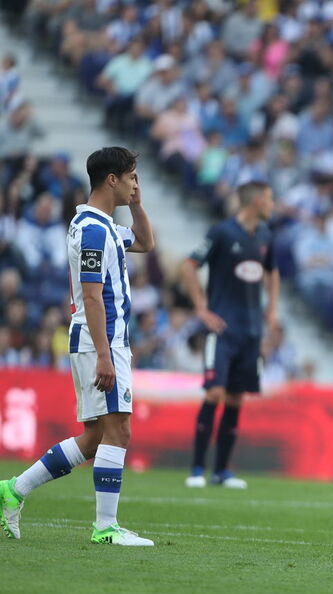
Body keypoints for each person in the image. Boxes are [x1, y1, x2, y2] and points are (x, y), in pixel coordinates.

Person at [0, 146, 156, 545]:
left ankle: (13, 490)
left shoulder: (101, 224)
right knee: (118, 431)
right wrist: (105, 355)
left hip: (99, 341)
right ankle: (105, 527)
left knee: (93, 438)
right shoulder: (91, 230)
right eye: (132, 177)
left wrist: (138, 205)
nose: (135, 183)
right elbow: (91, 296)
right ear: (112, 180)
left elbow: (144, 242)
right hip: (98, 342)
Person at [180, 181, 279, 489]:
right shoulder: (221, 233)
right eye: (270, 198)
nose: (273, 205)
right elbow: (189, 265)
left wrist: (272, 310)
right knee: (214, 393)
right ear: (257, 200)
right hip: (222, 329)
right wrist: (201, 308)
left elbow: (272, 271)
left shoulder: (265, 236)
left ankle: (221, 471)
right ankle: (197, 469)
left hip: (251, 331)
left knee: (236, 399)